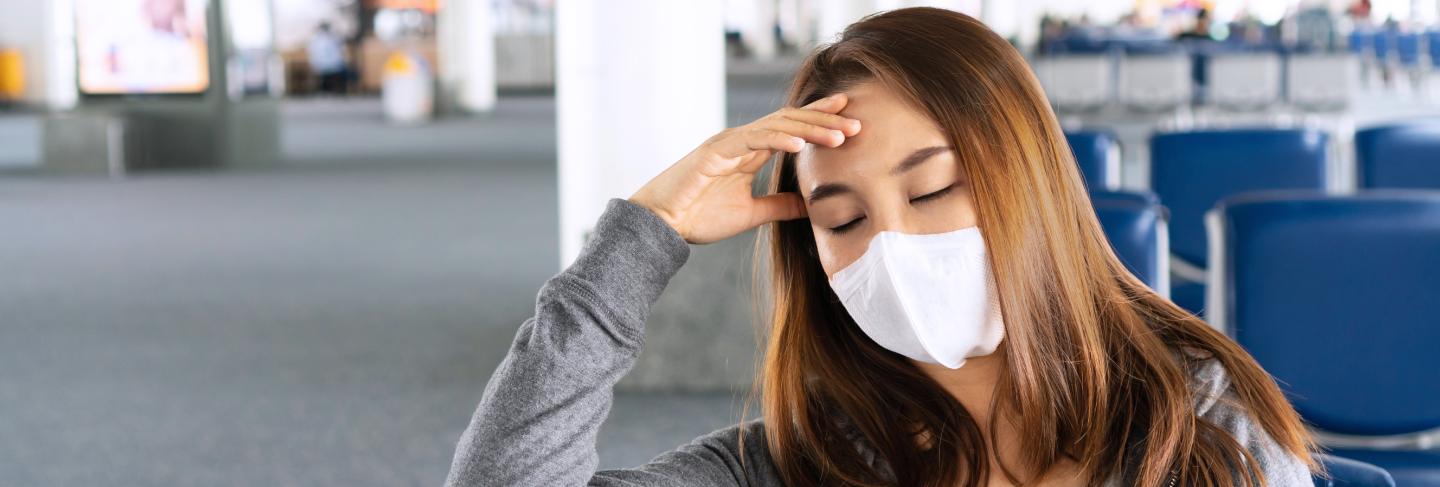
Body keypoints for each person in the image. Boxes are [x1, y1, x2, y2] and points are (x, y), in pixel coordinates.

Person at [444, 7, 1317, 487]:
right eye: (843, 219)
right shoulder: (801, 458)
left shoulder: (1199, 429)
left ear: (1030, 183)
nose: (895, 244)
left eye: (933, 188)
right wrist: (642, 236)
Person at [307, 22, 350, 95]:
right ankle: (340, 89)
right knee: (343, 69)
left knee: (332, 70)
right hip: (332, 65)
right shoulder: (334, 37)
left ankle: (326, 89)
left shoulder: (314, 39)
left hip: (319, 65)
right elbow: (341, 51)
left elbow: (311, 52)